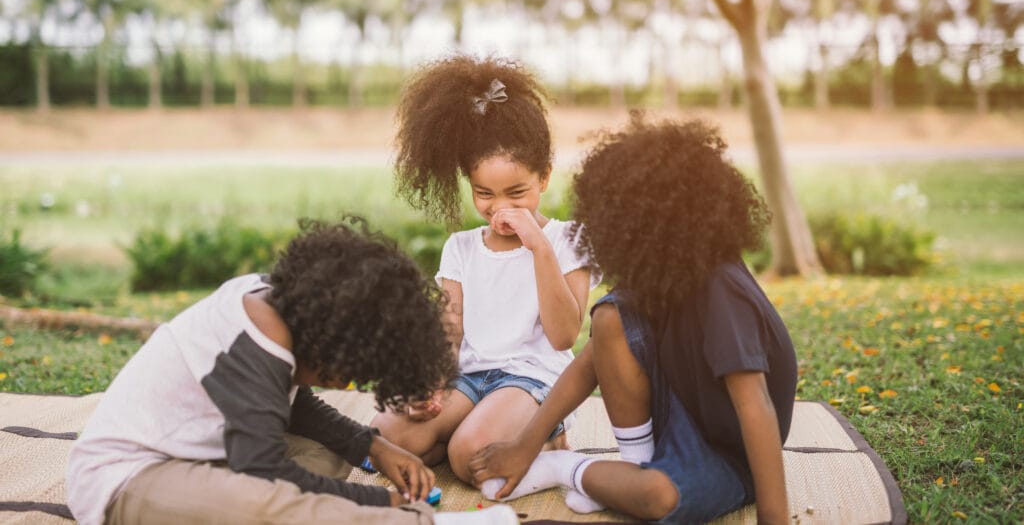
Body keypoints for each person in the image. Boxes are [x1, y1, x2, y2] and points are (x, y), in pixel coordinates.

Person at [66, 217, 519, 525]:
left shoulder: (279, 306)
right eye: (348, 372)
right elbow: (263, 473)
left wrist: (375, 447)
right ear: (331, 340)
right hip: (129, 477)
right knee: (266, 500)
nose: (345, 383)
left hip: (206, 453)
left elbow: (295, 407)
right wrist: (384, 500)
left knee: (330, 453)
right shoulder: (254, 342)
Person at [469, 115, 799, 524]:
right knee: (611, 315)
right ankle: (635, 464)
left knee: (657, 497)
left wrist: (774, 518)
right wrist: (525, 444)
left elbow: (755, 406)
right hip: (682, 408)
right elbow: (589, 362)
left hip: (731, 453)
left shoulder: (721, 288)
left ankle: (568, 469)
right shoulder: (661, 271)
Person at [370, 54, 600, 485]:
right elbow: (450, 334)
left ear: (544, 177)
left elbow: (564, 335)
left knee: (469, 457)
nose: (500, 208)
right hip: (470, 377)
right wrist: (431, 383)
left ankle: (548, 440)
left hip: (532, 379)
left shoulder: (567, 240)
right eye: (484, 194)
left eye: (517, 192)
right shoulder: (461, 247)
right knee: (386, 435)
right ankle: (460, 432)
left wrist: (538, 247)